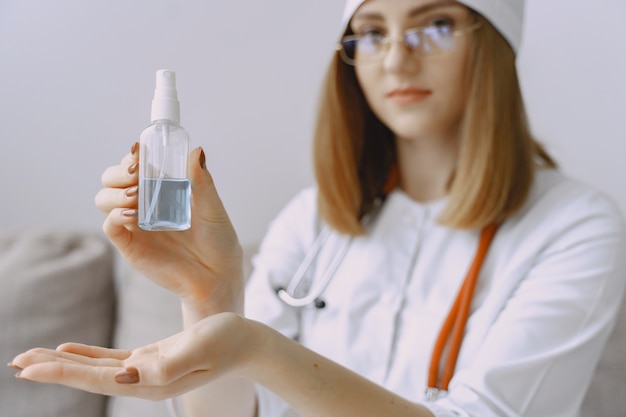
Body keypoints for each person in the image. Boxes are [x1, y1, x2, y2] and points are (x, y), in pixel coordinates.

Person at [10, 0, 626, 416]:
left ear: (492, 45)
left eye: (434, 24)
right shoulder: (314, 219)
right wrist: (209, 296)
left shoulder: (575, 228)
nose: (396, 59)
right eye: (374, 31)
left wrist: (257, 348)